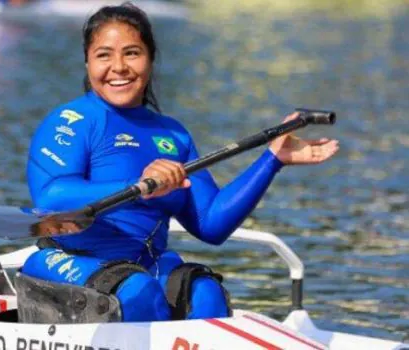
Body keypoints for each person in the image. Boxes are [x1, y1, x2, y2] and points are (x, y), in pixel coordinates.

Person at [21, 2, 339, 322]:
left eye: (132, 53)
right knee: (138, 293)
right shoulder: (73, 120)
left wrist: (272, 159)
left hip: (146, 265)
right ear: (88, 62)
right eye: (104, 55)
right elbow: (53, 197)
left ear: (151, 59)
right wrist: (139, 187)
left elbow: (212, 224)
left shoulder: (173, 135)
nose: (119, 66)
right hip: (70, 259)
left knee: (207, 295)